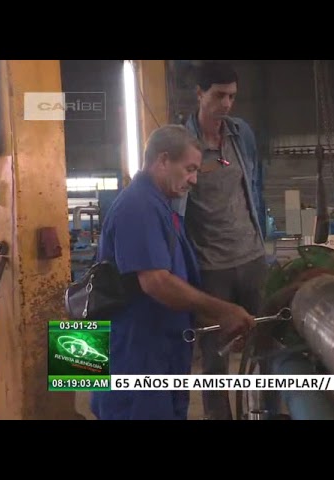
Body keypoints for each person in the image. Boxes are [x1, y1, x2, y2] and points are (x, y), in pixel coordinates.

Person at [91, 124, 256, 420]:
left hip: (160, 352)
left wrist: (219, 320)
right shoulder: (138, 206)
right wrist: (224, 309)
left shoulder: (162, 207)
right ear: (163, 160)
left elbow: (179, 283)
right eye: (189, 169)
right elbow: (157, 283)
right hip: (136, 357)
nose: (194, 179)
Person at [172, 61, 269, 420]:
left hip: (253, 258)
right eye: (218, 96)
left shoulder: (241, 133)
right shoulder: (184, 144)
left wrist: (262, 241)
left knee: (263, 345)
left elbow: (253, 186)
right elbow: (179, 208)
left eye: (232, 96)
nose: (226, 104)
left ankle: (263, 410)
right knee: (215, 356)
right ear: (199, 93)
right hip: (212, 269)